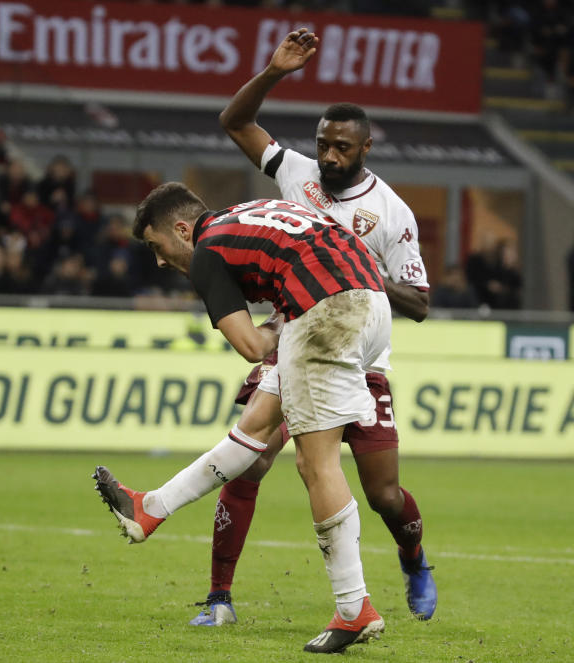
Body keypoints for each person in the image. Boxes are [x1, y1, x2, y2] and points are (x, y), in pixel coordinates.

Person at [184, 27, 437, 628]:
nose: (329, 157)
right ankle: (219, 598)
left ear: (365, 149)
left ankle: (414, 557)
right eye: (324, 144)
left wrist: (360, 270)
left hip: (359, 356)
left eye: (342, 148)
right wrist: (274, 72)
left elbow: (421, 302)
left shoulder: (393, 214)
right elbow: (235, 121)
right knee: (250, 463)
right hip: (291, 343)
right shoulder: (296, 173)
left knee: (382, 495)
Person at [95, 184, 390, 654]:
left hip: (330, 311)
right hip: (366, 302)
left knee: (316, 464)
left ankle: (355, 610)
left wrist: (278, 329)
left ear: (182, 229)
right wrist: (287, 327)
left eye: (157, 247)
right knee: (255, 427)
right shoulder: (244, 215)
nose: (159, 261)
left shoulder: (209, 252)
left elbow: (251, 347)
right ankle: (149, 508)